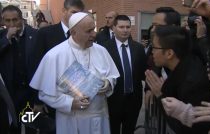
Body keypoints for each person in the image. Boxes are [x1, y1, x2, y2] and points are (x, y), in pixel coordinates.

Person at [30, 12, 120, 134]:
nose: (94, 34)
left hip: (99, 118)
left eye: (93, 29)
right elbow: (45, 93)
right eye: (88, 31)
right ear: (73, 33)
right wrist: (70, 103)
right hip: (70, 120)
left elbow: (113, 76)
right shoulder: (55, 55)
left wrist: (108, 83)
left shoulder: (101, 51)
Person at [145, 25, 210, 134]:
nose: (151, 52)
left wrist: (160, 95)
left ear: (169, 53)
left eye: (154, 47)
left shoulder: (193, 83)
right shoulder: (186, 64)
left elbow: (183, 127)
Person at [102, 15, 147, 134]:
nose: (125, 30)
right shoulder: (104, 48)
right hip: (113, 101)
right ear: (114, 28)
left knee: (129, 131)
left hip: (134, 100)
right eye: (121, 27)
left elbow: (144, 72)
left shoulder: (138, 48)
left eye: (128, 27)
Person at [0, 5, 37, 133]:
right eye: (8, 20)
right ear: (3, 21)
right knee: (13, 127)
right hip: (11, 94)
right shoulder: (1, 36)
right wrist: (6, 39)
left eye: (15, 19)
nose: (12, 23)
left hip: (30, 92)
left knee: (30, 125)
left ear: (21, 19)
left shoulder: (35, 35)